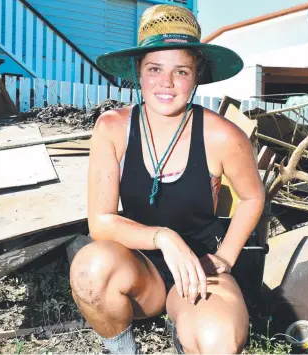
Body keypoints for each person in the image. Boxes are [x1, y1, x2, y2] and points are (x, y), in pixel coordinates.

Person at [70, 4, 265, 354]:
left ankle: (189, 326)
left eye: (181, 71)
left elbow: (253, 197)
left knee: (218, 340)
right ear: (138, 72)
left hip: (200, 271)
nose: (167, 83)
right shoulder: (112, 129)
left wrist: (226, 256)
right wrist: (164, 238)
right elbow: (100, 223)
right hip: (138, 269)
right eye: (154, 69)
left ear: (197, 75)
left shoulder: (223, 136)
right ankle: (122, 348)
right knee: (89, 268)